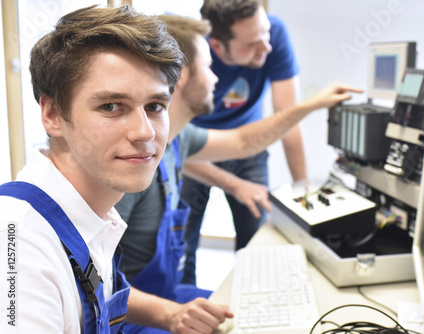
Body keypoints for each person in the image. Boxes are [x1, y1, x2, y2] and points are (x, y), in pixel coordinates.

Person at [115, 12, 361, 333]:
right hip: (134, 320)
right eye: (207, 67)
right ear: (183, 74)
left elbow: (245, 141)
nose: (217, 79)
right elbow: (95, 287)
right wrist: (171, 315)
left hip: (166, 294)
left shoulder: (179, 139)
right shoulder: (130, 165)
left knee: (250, 312)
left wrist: (309, 105)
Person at [0, 6, 233, 333]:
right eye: (111, 106)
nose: (145, 132)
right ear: (53, 115)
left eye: (154, 107)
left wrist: (169, 315)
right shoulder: (19, 245)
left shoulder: (96, 218)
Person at [180, 0, 307, 286]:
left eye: (265, 34)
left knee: (256, 240)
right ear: (217, 46)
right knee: (181, 243)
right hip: (196, 148)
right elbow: (174, 138)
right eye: (251, 44)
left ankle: (254, 298)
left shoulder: (271, 34)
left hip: (248, 147)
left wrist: (304, 190)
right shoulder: (190, 48)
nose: (266, 47)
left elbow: (287, 120)